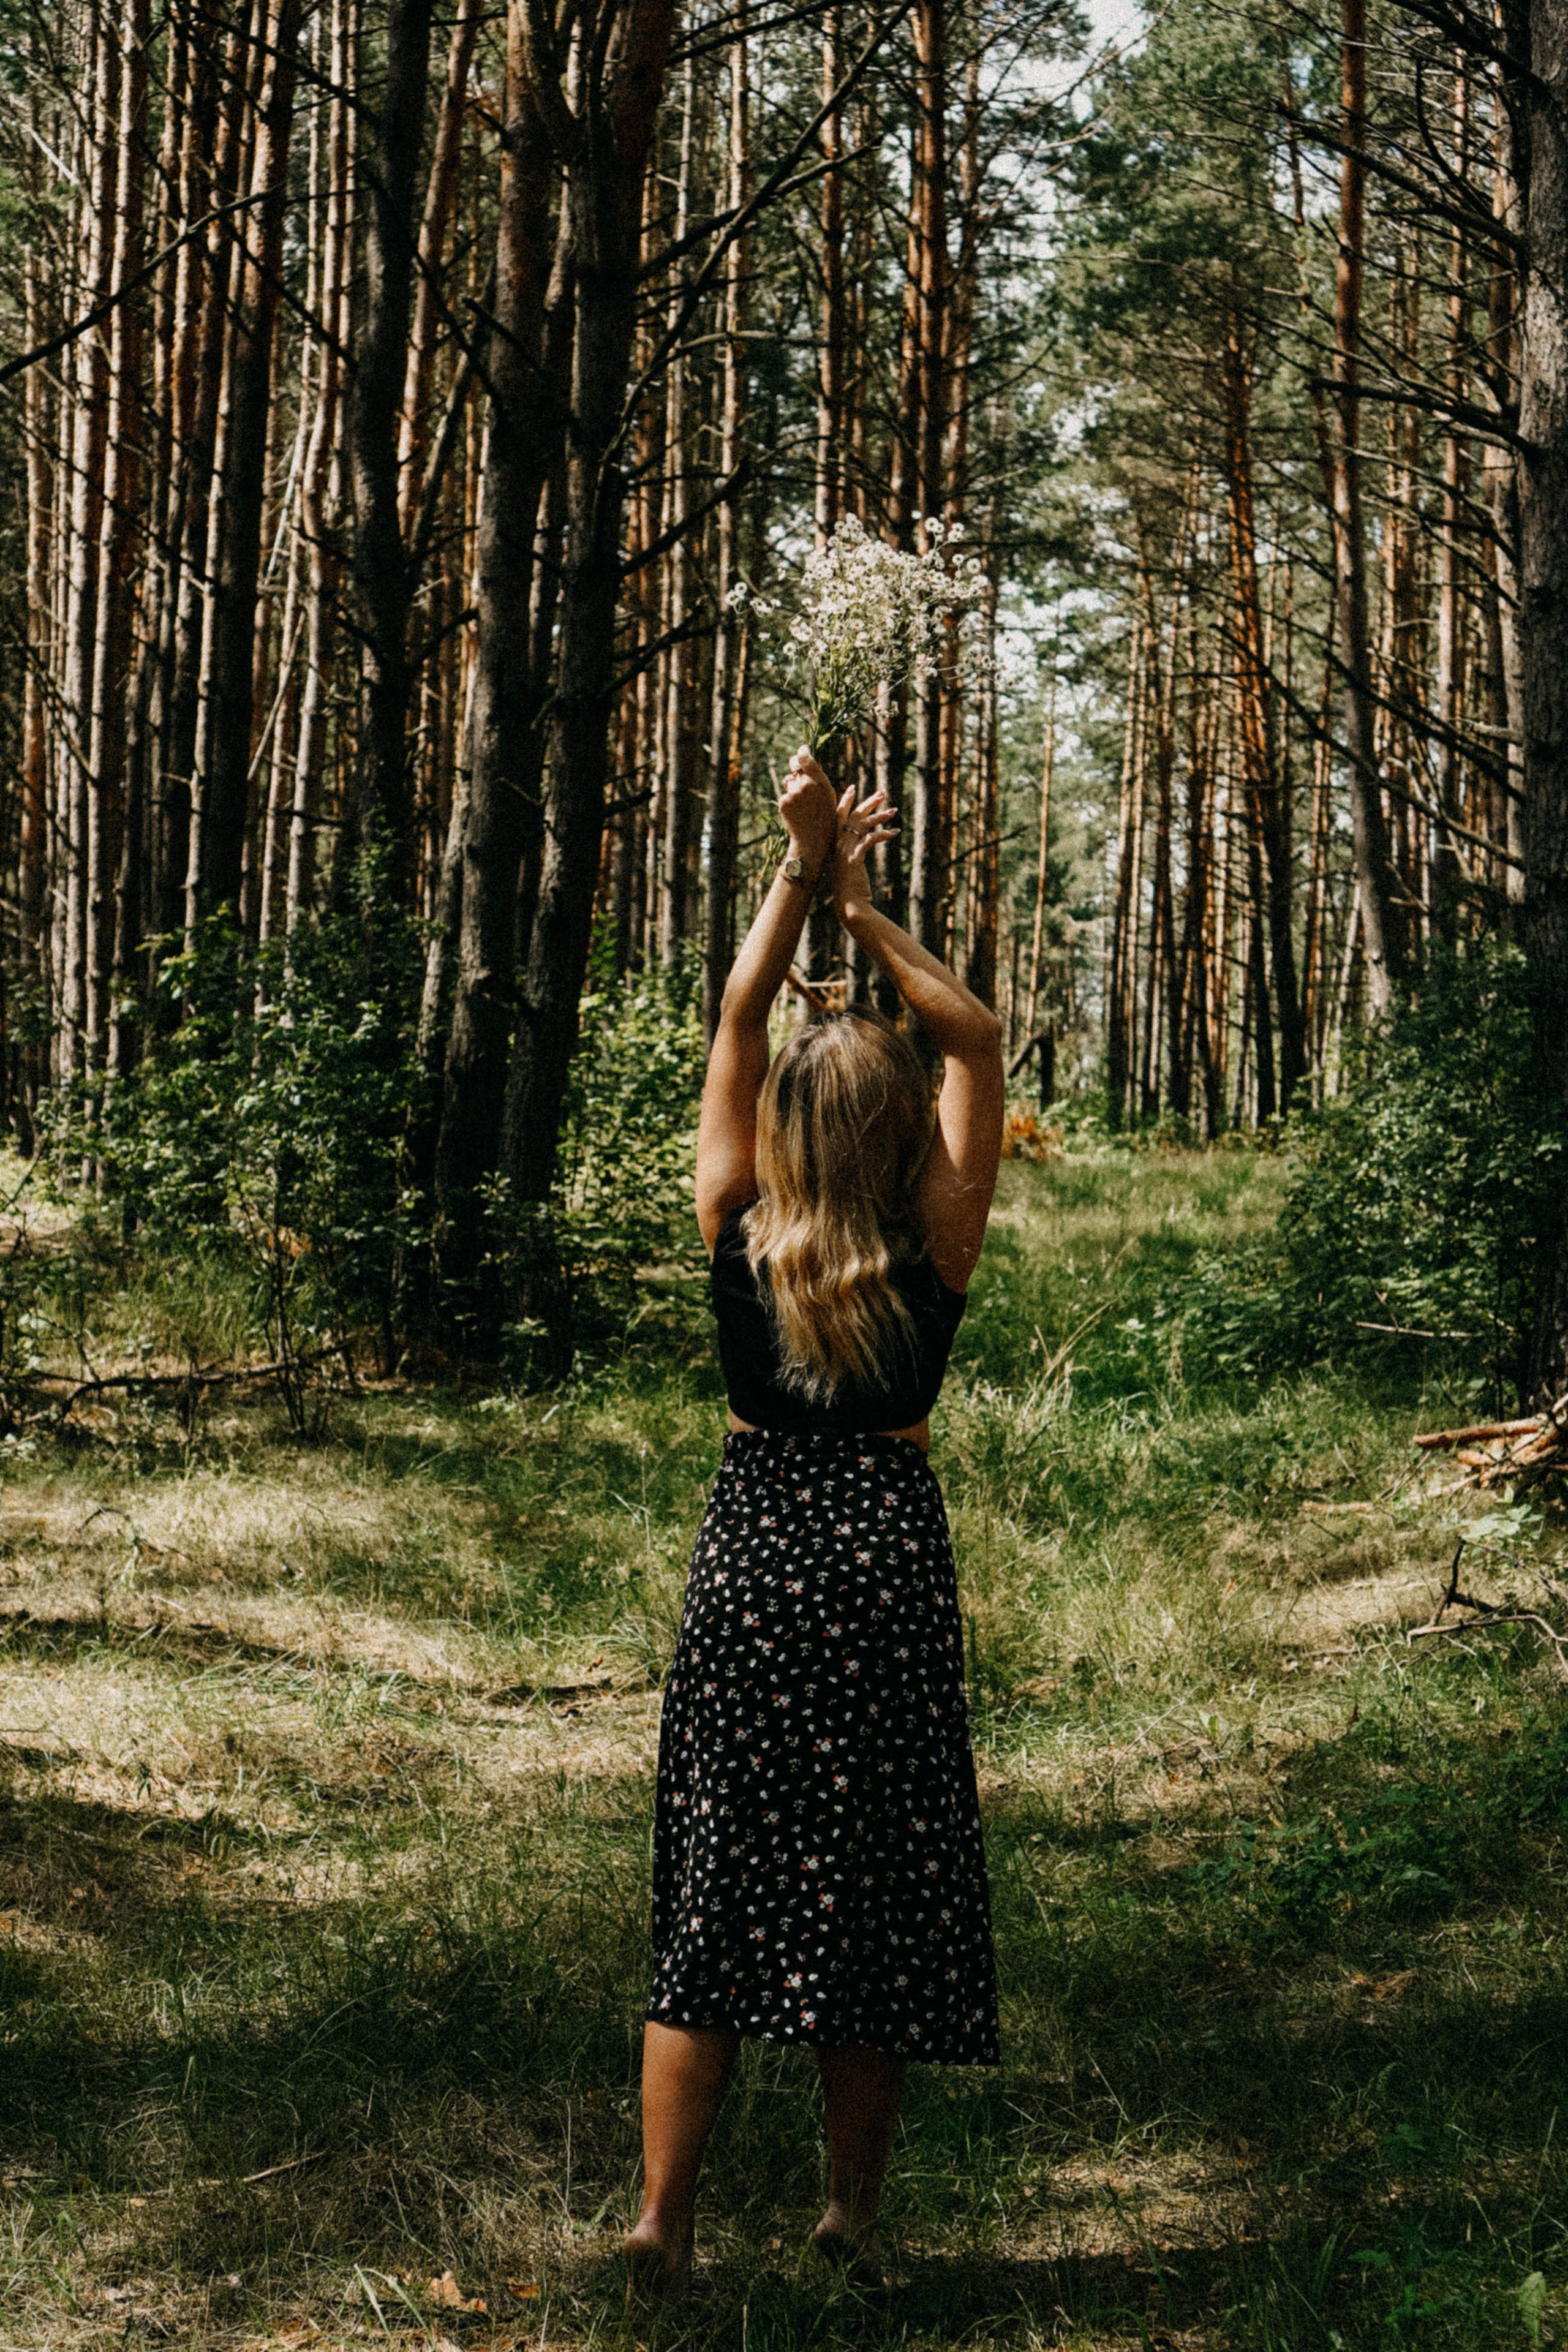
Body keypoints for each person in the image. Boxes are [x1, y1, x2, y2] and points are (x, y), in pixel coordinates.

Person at [624, 747, 1005, 2294]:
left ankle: (662, 2219)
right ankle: (846, 2215)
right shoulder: (935, 1239)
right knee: (879, 1889)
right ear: (902, 1125)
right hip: (883, 1558)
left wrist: (792, 878)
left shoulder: (735, 1226)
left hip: (755, 1550)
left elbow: (729, 1017)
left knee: (715, 1879)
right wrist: (864, 904)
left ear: (782, 1125)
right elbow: (970, 1030)